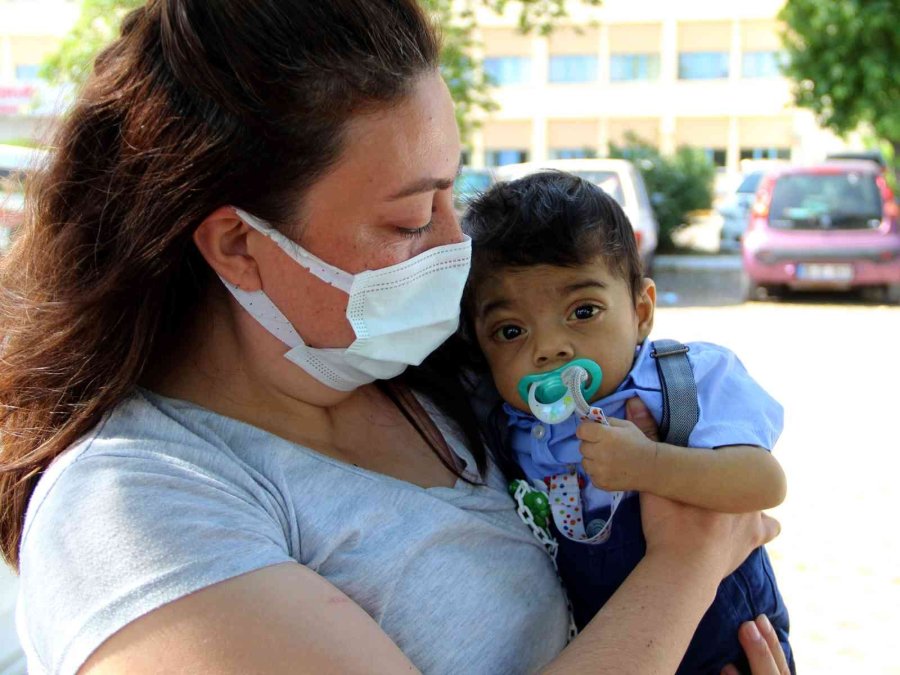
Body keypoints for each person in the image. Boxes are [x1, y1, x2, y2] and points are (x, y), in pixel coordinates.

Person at [0, 2, 786, 674]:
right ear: (240, 245)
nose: (456, 245)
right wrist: (689, 560)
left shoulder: (424, 376)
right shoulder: (132, 511)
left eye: (456, 194)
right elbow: (688, 546)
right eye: (412, 220)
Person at [461, 171, 794, 674]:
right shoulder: (509, 429)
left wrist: (649, 464)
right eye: (511, 330)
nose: (549, 347)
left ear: (641, 311)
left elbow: (764, 483)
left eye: (583, 310)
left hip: (731, 648)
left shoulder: (682, 379)